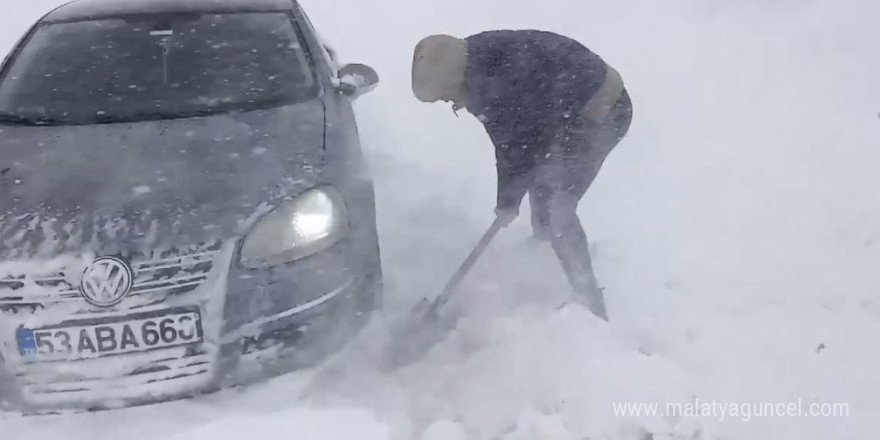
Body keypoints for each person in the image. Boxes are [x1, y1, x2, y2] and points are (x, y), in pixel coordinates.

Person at [410, 30, 633, 321]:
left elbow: (515, 146)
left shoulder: (491, 83)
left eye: (444, 95)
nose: (448, 102)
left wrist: (507, 202)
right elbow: (515, 144)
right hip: (565, 114)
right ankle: (543, 256)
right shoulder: (475, 61)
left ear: (453, 78)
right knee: (542, 183)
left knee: (558, 208)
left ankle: (588, 300)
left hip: (602, 110)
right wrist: (509, 199)